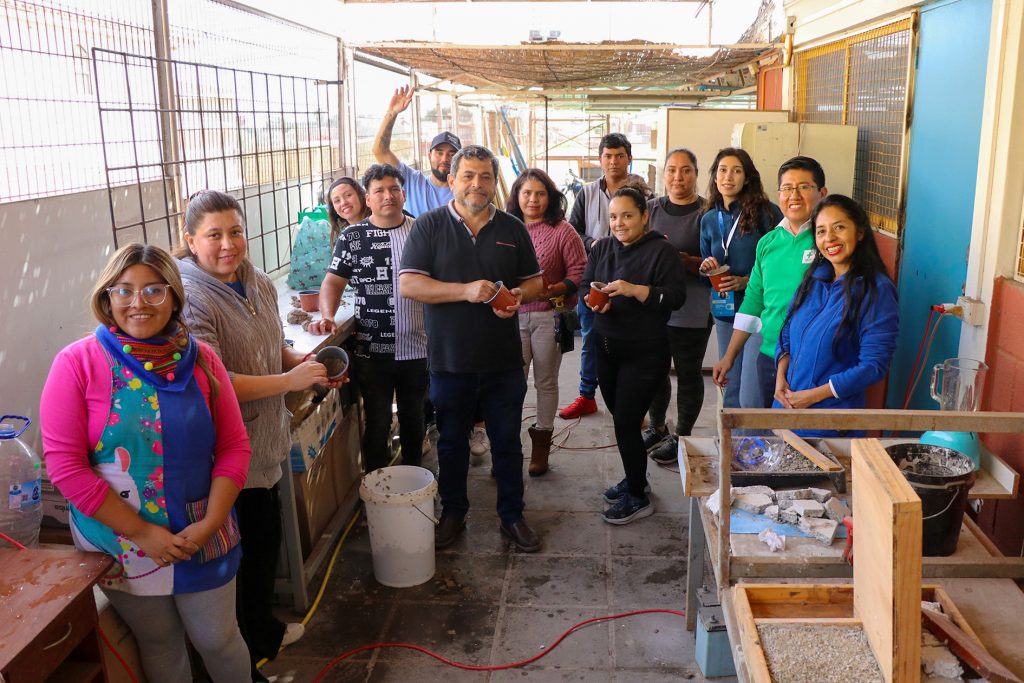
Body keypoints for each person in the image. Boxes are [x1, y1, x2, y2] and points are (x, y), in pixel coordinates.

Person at [40, 244, 252, 683]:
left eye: (154, 290)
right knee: (159, 644)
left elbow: (234, 447)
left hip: (200, 529)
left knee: (218, 639)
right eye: (124, 290)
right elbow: (65, 467)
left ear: (174, 297)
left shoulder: (203, 361)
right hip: (119, 538)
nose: (138, 302)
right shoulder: (76, 364)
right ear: (107, 298)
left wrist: (211, 521)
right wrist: (142, 533)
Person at [176, 190, 339, 682]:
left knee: (265, 547)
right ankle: (239, 664)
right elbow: (213, 381)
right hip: (222, 459)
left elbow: (273, 345)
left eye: (235, 231)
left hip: (265, 444)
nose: (229, 244)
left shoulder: (257, 280)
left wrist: (301, 363)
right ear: (190, 241)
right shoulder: (188, 298)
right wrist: (288, 383)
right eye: (214, 235)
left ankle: (263, 633)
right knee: (234, 567)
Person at [399, 144, 545, 552]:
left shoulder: (512, 228)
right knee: (451, 441)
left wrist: (517, 293)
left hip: (503, 361)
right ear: (451, 180)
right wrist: (464, 290)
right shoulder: (428, 226)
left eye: (485, 176)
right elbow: (410, 284)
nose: (476, 184)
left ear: (494, 182)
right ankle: (454, 513)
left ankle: (512, 516)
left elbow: (536, 281)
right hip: (450, 360)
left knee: (506, 441)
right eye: (468, 175)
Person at [309, 164, 428, 472]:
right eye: (379, 190)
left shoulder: (421, 232)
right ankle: (379, 485)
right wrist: (326, 316)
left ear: (403, 194)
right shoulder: (352, 237)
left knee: (414, 418)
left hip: (418, 348)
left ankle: (414, 478)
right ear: (368, 198)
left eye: (394, 189)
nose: (388, 196)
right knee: (377, 420)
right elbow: (333, 281)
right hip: (373, 351)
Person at [583, 186, 686, 523]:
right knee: (621, 421)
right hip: (607, 346)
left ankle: (639, 496)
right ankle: (635, 476)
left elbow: (675, 297)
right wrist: (594, 297)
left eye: (627, 216)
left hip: (645, 351)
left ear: (644, 216)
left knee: (627, 421)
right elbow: (586, 284)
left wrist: (633, 289)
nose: (619, 223)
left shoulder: (662, 252)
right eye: (613, 217)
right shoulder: (602, 249)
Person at [774, 195, 899, 433]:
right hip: (786, 412)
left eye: (839, 227)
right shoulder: (813, 280)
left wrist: (812, 396)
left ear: (860, 232)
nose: (829, 238)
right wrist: (780, 377)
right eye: (821, 231)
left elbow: (873, 366)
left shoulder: (876, 290)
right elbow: (787, 332)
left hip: (832, 423)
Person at [713, 157, 828, 408]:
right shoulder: (768, 242)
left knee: (797, 435)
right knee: (755, 425)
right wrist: (729, 357)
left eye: (804, 187)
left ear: (822, 193)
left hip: (811, 358)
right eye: (787, 188)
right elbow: (753, 302)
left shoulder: (828, 242)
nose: (794, 195)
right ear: (779, 194)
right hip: (768, 353)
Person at [560, 132, 652, 420]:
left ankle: (633, 406)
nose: (613, 161)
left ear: (629, 158)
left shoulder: (644, 194)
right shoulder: (586, 193)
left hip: (633, 279)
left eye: (619, 155)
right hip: (596, 277)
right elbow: (573, 229)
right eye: (608, 156)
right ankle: (587, 396)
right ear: (600, 160)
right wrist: (593, 244)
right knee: (590, 337)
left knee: (634, 340)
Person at [505, 168, 586, 476]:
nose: (533, 199)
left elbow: (579, 270)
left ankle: (541, 447)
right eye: (527, 193)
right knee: (511, 383)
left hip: (547, 316)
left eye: (540, 193)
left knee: (545, 382)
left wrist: (561, 288)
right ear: (517, 196)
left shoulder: (562, 230)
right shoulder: (506, 228)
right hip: (510, 318)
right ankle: (507, 447)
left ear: (550, 197)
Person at [642, 149, 713, 464]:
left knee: (687, 373)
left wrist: (683, 261)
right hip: (654, 308)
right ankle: (657, 427)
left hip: (693, 308)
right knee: (655, 372)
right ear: (663, 172)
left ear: (696, 173)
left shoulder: (708, 213)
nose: (678, 177)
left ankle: (681, 435)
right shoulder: (649, 210)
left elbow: (717, 264)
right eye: (671, 170)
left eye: (686, 170)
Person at [698, 148, 783, 409]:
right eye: (722, 170)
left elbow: (780, 266)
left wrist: (747, 281)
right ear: (714, 177)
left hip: (759, 313)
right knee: (729, 379)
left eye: (736, 170)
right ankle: (732, 443)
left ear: (747, 178)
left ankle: (754, 444)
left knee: (752, 388)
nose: (728, 177)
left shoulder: (768, 213)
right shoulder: (709, 218)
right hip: (725, 311)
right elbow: (705, 271)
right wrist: (707, 267)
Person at [372, 84, 460, 217]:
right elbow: (380, 151)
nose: (445, 159)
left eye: (452, 154)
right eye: (439, 152)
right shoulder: (412, 181)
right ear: (429, 155)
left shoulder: (464, 191)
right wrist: (392, 113)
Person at [325, 177, 370, 243]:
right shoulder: (343, 239)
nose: (343, 203)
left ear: (360, 195)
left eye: (348, 195)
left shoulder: (379, 224)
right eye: (337, 200)